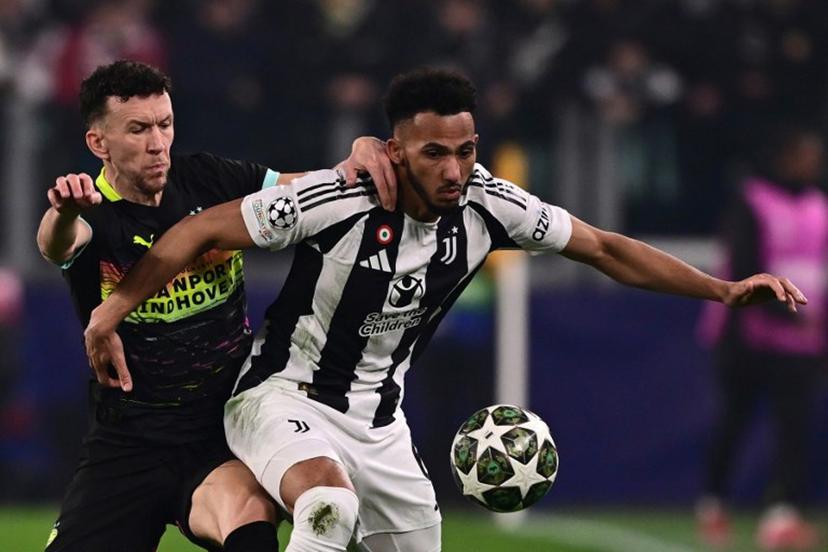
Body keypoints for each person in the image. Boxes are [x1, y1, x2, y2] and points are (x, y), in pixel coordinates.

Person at [84, 68, 806, 552]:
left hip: (380, 420)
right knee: (326, 509)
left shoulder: (492, 204)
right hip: (280, 394)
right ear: (396, 150)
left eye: (465, 150)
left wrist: (721, 288)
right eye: (434, 153)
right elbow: (200, 230)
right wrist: (112, 310)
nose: (454, 170)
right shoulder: (339, 199)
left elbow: (605, 249)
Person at [36, 60, 396, 552]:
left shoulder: (208, 180)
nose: (157, 143)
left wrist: (361, 152)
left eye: (164, 124)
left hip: (221, 429)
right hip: (128, 443)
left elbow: (320, 189)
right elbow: (56, 244)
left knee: (249, 522)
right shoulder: (91, 212)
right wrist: (64, 210)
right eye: (138, 129)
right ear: (99, 143)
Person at [696, 125, 826, 550]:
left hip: (801, 344)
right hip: (748, 338)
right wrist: (783, 312)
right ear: (784, 156)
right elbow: (743, 267)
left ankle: (781, 514)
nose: (812, 163)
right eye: (804, 154)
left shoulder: (819, 207)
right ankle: (713, 504)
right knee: (734, 421)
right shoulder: (753, 202)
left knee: (794, 427)